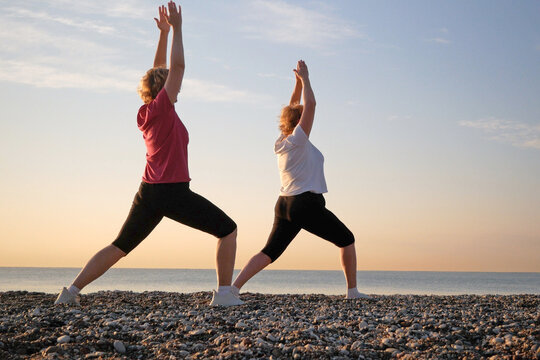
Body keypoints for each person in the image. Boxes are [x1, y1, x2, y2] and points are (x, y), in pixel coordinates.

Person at [55, 1, 242, 307]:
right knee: (227, 229)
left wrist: (164, 34)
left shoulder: (147, 112)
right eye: (169, 82)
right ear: (163, 88)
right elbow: (177, 68)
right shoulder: (163, 109)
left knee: (120, 245)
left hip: (148, 192)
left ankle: (71, 292)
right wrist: (179, 30)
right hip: (172, 192)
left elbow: (158, 72)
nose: (177, 85)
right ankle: (223, 294)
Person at [232, 60, 370, 300]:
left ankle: (231, 290)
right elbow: (311, 105)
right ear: (299, 123)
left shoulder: (282, 142)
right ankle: (353, 292)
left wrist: (296, 84)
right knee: (347, 239)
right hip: (305, 203)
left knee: (269, 252)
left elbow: (294, 106)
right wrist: (306, 79)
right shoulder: (298, 140)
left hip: (284, 204)